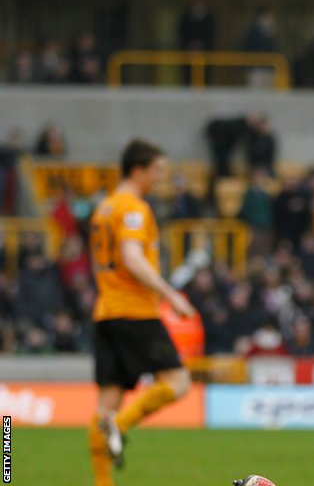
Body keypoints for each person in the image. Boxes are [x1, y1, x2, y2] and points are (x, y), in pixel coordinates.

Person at [87, 140, 198, 486]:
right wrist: (170, 294)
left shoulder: (103, 208)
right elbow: (132, 258)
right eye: (158, 171)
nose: (162, 178)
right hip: (134, 312)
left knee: (107, 400)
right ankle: (119, 427)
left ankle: (103, 482)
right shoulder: (132, 208)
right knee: (178, 382)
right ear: (139, 170)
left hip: (106, 310)